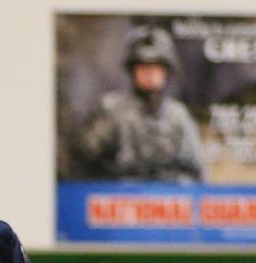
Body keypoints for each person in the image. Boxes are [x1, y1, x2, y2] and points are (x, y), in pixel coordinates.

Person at [74, 26, 204, 184]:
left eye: (156, 67)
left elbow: (196, 172)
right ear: (132, 71)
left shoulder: (178, 115)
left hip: (167, 198)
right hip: (119, 196)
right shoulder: (111, 109)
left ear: (167, 71)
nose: (149, 73)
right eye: (143, 67)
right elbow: (85, 160)